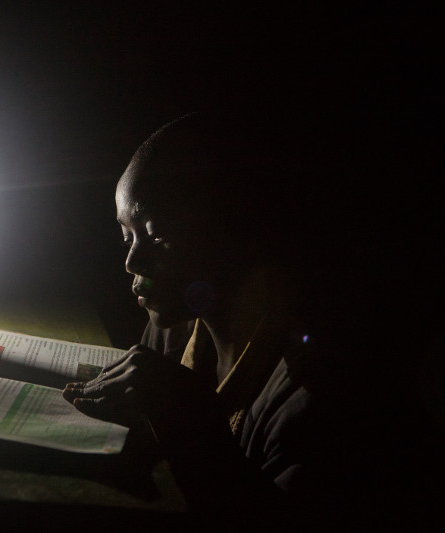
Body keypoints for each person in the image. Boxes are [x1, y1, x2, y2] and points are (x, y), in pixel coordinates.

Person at [62, 112, 377, 528]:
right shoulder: (171, 328)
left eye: (157, 236)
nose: (132, 260)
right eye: (127, 235)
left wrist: (197, 427)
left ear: (236, 230)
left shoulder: (309, 394)